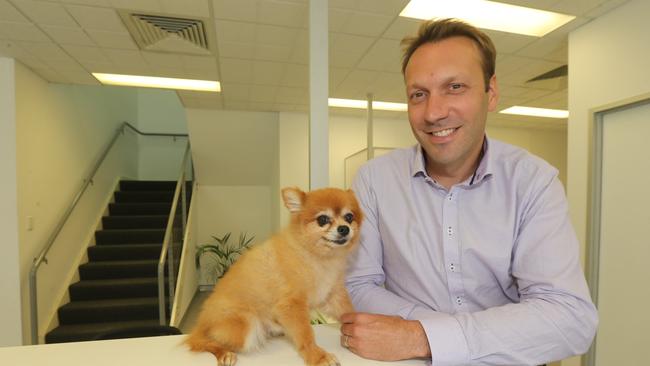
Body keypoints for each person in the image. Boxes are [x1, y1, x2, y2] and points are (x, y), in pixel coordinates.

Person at [340, 18, 598, 365]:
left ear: (491, 93)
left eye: (455, 87)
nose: (433, 112)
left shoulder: (533, 182)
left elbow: (570, 319)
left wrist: (422, 336)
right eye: (419, 94)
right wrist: (444, 336)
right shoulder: (374, 180)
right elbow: (357, 287)